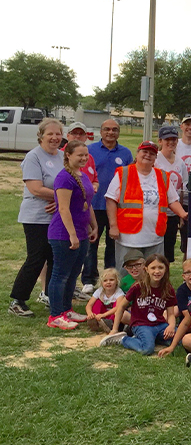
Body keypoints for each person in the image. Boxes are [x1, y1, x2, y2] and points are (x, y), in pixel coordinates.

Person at [9, 118, 65, 317]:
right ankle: (18, 300)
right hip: (36, 217)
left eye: (58, 133)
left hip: (58, 216)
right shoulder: (33, 157)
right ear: (41, 136)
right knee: (37, 257)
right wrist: (62, 196)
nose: (54, 137)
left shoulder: (63, 156)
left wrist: (61, 201)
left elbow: (71, 182)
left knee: (55, 257)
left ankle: (51, 296)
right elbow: (35, 188)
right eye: (50, 134)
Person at [105, 141, 188, 269]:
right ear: (137, 154)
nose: (148, 155)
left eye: (152, 153)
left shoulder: (163, 176)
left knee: (153, 274)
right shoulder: (124, 173)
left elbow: (172, 200)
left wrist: (183, 214)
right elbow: (111, 200)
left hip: (155, 237)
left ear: (156, 158)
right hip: (129, 237)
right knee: (127, 274)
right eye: (145, 152)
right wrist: (113, 226)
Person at [46, 140, 98, 330]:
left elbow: (87, 203)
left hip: (82, 232)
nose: (84, 158)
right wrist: (72, 235)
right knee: (60, 274)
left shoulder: (82, 175)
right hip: (63, 233)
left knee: (74, 273)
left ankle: (67, 309)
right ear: (68, 155)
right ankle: (55, 315)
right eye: (80, 155)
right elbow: (64, 209)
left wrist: (94, 225)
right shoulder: (64, 177)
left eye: (86, 155)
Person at [84, 119, 133, 286]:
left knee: (113, 246)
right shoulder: (90, 150)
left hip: (117, 208)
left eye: (114, 130)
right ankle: (89, 280)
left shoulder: (126, 153)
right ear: (101, 131)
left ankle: (111, 279)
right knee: (92, 244)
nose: (110, 132)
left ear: (118, 132)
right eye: (107, 129)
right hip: (94, 205)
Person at [100, 254, 178, 355]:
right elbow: (121, 307)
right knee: (147, 349)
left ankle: (151, 338)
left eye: (160, 267)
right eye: (153, 268)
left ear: (166, 269)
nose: (157, 271)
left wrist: (171, 326)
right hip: (141, 324)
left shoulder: (168, 288)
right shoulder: (138, 287)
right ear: (146, 269)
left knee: (180, 341)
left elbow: (171, 314)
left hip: (160, 324)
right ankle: (123, 339)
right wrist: (115, 329)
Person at [154, 126, 190, 262]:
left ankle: (164, 280)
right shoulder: (156, 160)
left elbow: (182, 189)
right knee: (156, 249)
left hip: (173, 213)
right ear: (160, 141)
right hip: (157, 212)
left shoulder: (180, 163)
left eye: (174, 139)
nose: (171, 142)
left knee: (169, 249)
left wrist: (180, 214)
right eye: (167, 139)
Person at [86, 268, 127, 333]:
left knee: (118, 308)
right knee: (97, 302)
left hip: (112, 315)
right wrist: (89, 313)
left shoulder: (119, 292)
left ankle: (109, 323)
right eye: (105, 280)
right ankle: (95, 320)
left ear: (117, 281)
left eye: (111, 280)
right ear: (101, 283)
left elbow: (118, 308)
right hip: (101, 314)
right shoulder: (99, 291)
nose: (108, 282)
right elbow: (89, 304)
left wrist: (104, 315)